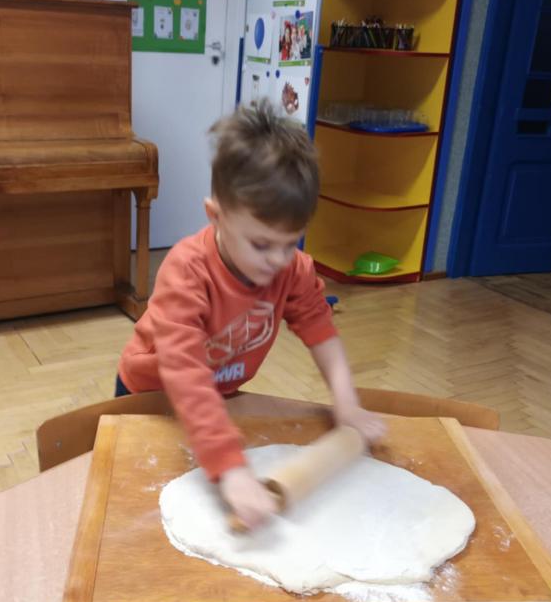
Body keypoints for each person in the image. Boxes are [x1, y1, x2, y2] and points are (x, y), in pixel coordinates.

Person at [116, 101, 386, 528]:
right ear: (216, 216)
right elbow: (184, 372)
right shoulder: (187, 272)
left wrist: (347, 403)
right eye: (261, 244)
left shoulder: (291, 270)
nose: (278, 259)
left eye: (291, 242)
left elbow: (321, 331)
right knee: (138, 498)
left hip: (219, 394)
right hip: (150, 394)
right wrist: (229, 466)